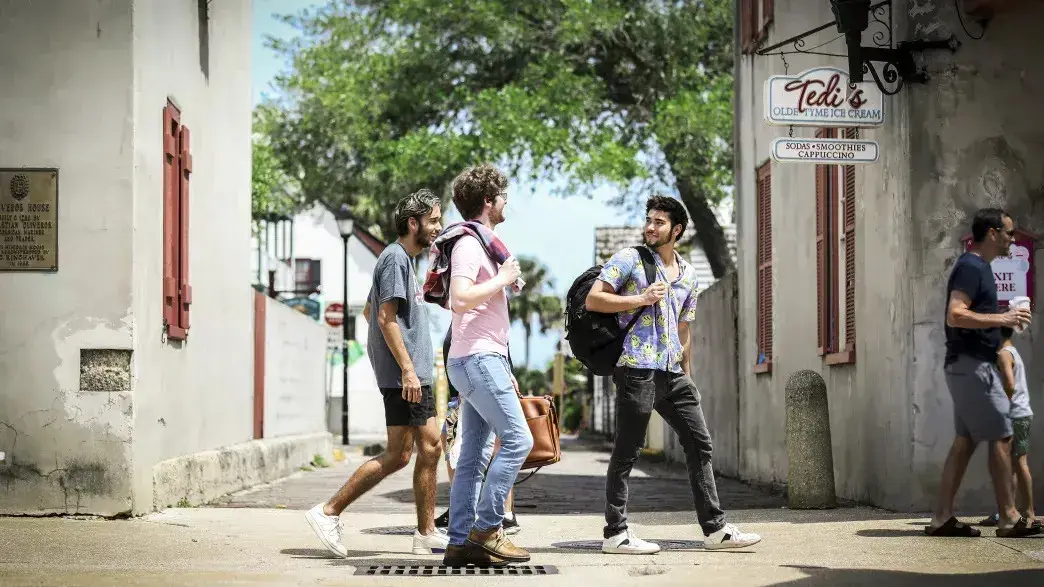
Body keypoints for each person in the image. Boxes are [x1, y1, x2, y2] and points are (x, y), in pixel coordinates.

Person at [586, 195, 761, 553]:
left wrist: (688, 374)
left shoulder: (689, 274)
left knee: (699, 444)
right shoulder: (630, 260)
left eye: (659, 222)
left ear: (676, 230)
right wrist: (640, 299)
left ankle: (715, 530)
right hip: (637, 369)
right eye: (648, 220)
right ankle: (615, 534)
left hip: (673, 372)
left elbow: (685, 327)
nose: (650, 226)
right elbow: (594, 299)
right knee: (627, 451)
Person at [305, 190, 449, 557]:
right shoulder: (395, 259)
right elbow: (384, 318)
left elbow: (371, 314)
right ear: (413, 223)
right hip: (409, 376)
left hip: (408, 374)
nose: (438, 226)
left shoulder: (402, 261)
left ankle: (425, 531)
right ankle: (328, 511)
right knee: (429, 445)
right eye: (433, 220)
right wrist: (406, 369)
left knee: (403, 455)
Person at [424, 163, 532, 567]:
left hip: (477, 358)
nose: (507, 202)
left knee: (473, 453)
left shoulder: (481, 243)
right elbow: (460, 297)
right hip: (477, 358)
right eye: (503, 195)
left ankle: (459, 544)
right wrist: (503, 278)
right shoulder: (471, 245)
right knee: (518, 440)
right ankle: (486, 530)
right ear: (488, 201)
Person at [926, 208, 1038, 538]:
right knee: (1003, 434)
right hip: (972, 366)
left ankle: (942, 518)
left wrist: (1004, 325)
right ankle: (1009, 516)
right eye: (1008, 233)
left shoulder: (979, 267)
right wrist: (1004, 319)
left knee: (964, 443)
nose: (1012, 239)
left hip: (967, 365)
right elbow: (955, 315)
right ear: (992, 233)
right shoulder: (971, 266)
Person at [437, 330, 521, 535]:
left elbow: (499, 348)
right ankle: (463, 510)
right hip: (462, 393)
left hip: (474, 390)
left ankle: (503, 514)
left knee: (500, 447)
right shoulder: (463, 316)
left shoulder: (482, 313)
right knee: (454, 445)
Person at [977, 326, 1038, 529]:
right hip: (1018, 414)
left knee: (1019, 463)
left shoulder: (1003, 354)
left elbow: (1010, 385)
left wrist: (1000, 406)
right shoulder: (1012, 352)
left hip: (1015, 415)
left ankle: (1029, 512)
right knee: (1009, 467)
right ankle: (1007, 510)